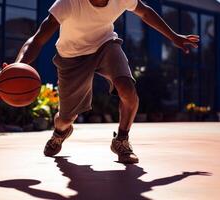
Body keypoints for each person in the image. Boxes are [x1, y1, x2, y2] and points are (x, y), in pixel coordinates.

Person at [13, 0, 199, 164]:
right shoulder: (68, 2)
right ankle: (60, 132)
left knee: (127, 90)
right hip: (72, 57)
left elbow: (145, 12)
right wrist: (17, 66)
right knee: (66, 118)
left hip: (105, 45)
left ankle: (121, 140)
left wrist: (174, 36)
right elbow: (37, 39)